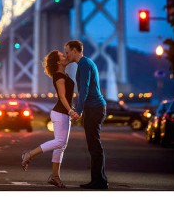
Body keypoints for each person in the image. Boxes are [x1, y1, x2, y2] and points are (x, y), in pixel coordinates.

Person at [20, 50, 78, 188]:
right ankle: (29, 154)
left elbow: (68, 97)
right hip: (60, 113)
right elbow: (62, 97)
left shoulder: (64, 74)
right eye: (62, 55)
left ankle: (55, 177)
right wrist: (70, 110)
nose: (65, 56)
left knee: (61, 146)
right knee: (59, 142)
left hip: (63, 113)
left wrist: (72, 109)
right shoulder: (59, 76)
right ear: (58, 62)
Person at [65, 39, 108, 189]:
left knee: (94, 145)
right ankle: (98, 180)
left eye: (67, 52)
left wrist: (78, 110)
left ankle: (99, 181)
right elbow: (84, 89)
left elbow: (84, 88)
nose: (66, 55)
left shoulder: (83, 64)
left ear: (75, 51)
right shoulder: (86, 63)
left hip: (94, 108)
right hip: (95, 107)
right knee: (94, 145)